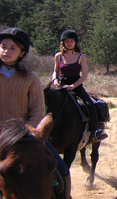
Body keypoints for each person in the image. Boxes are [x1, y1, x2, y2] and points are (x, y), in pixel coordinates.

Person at [0, 27, 71, 199]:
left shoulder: (30, 78)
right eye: (3, 46)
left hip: (26, 138)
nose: (6, 51)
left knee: (61, 172)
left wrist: (30, 134)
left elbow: (38, 111)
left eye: (12, 48)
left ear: (22, 53)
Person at [51, 29, 107, 141]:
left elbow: (84, 76)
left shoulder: (81, 56)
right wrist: (54, 80)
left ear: (75, 42)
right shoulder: (58, 56)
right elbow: (55, 71)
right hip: (61, 86)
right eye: (67, 41)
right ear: (63, 43)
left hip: (76, 86)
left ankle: (95, 131)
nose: (69, 43)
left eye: (71, 41)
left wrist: (73, 86)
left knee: (90, 104)